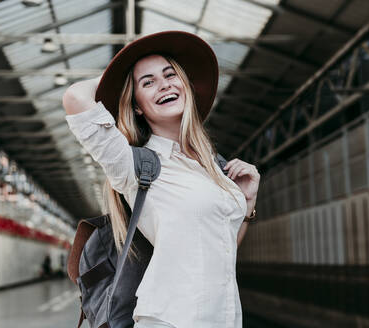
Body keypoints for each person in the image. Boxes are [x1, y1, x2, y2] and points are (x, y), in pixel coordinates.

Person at [62, 31, 260, 328]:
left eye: (170, 75)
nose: (164, 84)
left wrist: (246, 204)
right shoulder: (133, 165)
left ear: (186, 86)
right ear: (137, 105)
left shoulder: (214, 167)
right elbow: (75, 98)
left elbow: (221, 246)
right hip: (170, 321)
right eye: (148, 82)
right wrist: (120, 72)